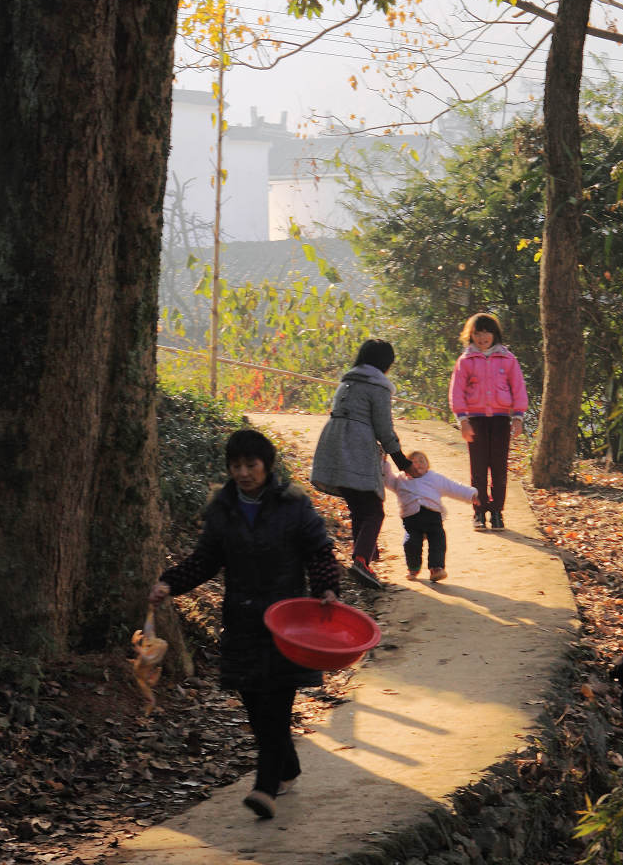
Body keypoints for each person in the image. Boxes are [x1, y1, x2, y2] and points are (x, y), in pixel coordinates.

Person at [149, 428, 340, 822]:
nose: (243, 472)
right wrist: (170, 582)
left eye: (250, 464)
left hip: (288, 624)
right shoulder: (223, 508)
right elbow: (206, 559)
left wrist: (326, 589)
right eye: (236, 465)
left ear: (266, 465)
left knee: (276, 706)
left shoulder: (293, 503)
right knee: (255, 705)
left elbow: (318, 550)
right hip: (242, 620)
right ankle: (287, 767)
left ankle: (266, 788)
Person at [310, 339, 412, 590]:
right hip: (356, 447)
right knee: (374, 510)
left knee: (359, 506)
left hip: (333, 444)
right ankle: (361, 560)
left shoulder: (347, 381)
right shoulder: (378, 387)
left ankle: (363, 558)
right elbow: (384, 429)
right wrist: (402, 461)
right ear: (385, 363)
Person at [448, 312, 528, 531]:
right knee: (478, 469)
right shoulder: (466, 360)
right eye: (477, 333)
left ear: (495, 334)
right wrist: (463, 420)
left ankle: (497, 512)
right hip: (475, 420)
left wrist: (518, 417)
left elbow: (518, 388)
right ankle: (479, 512)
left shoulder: (508, 359)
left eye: (487, 332)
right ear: (471, 335)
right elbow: (457, 391)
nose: (482, 337)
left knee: (499, 469)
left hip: (501, 420)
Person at [382, 451, 479, 582]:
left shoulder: (434, 478)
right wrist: (383, 462)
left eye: (422, 461)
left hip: (433, 516)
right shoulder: (400, 479)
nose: (418, 464)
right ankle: (413, 568)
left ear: (428, 465)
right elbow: (386, 478)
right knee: (411, 543)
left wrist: (470, 494)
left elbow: (453, 487)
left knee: (438, 540)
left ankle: (436, 568)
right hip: (411, 519)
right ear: (406, 465)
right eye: (413, 461)